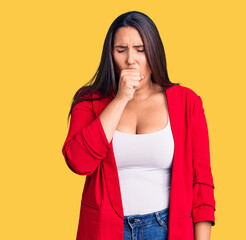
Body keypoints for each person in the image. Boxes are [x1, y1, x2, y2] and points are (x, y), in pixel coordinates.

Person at [62, 11, 216, 240]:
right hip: (105, 230)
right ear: (110, 55)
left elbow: (201, 183)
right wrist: (121, 99)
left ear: (154, 52)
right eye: (121, 50)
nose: (131, 60)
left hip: (165, 228)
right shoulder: (90, 101)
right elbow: (79, 161)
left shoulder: (187, 102)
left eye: (140, 49)